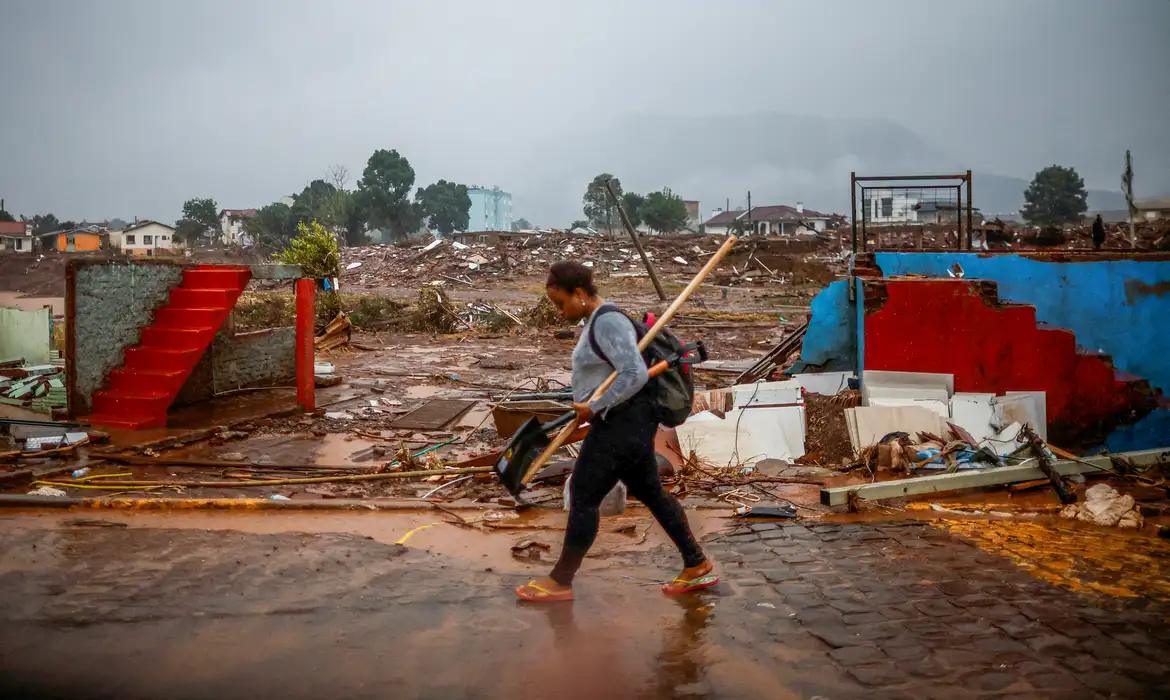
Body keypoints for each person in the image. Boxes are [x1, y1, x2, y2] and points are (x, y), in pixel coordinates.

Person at [514, 261, 716, 602]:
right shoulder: (598, 320)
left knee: (583, 494)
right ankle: (695, 563)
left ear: (579, 293)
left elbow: (634, 373)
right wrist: (587, 407)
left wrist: (595, 406)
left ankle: (560, 581)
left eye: (561, 302)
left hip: (622, 423)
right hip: (627, 422)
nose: (560, 311)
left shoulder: (607, 321)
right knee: (651, 492)